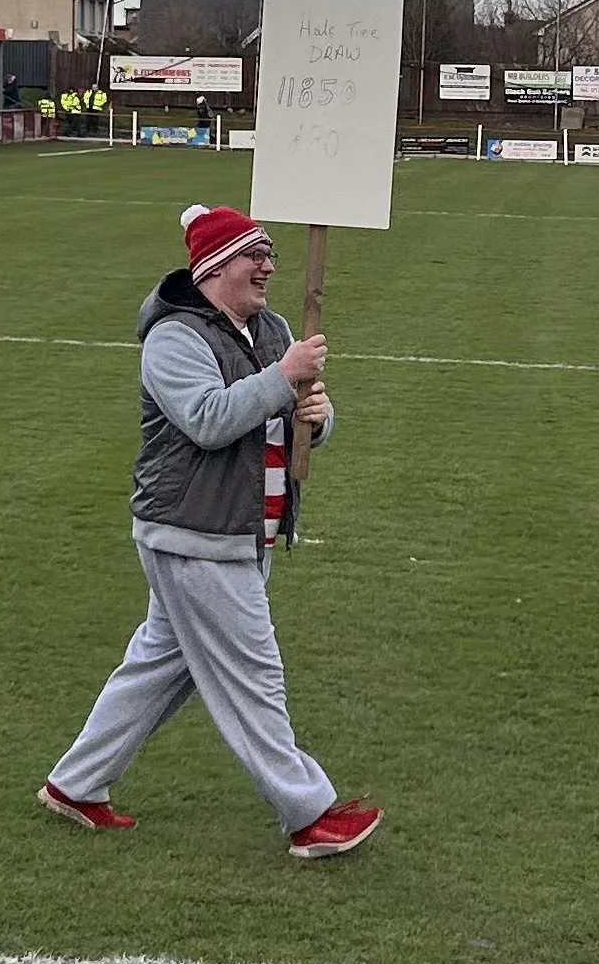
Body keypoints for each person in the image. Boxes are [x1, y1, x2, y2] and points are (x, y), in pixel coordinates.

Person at [39, 204, 380, 859]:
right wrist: (283, 379)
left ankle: (74, 784)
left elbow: (295, 423)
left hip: (245, 530)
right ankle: (307, 812)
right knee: (253, 673)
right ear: (214, 266)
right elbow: (207, 419)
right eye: (254, 254)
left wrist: (318, 411)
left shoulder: (274, 327)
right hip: (193, 531)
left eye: (272, 254)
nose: (268, 267)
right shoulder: (173, 339)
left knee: (158, 665)